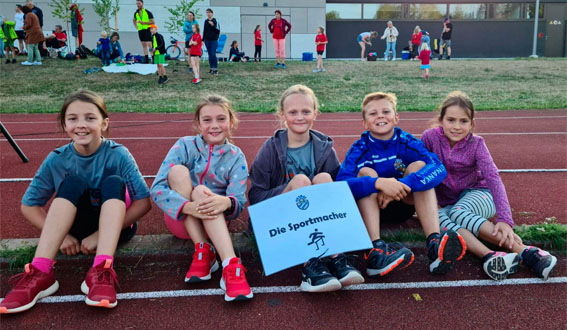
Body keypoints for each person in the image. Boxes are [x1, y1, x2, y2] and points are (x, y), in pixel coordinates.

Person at [0, 89, 152, 314]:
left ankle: (101, 271)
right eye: (73, 119)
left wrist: (100, 235)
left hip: (114, 229)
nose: (81, 125)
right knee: (73, 183)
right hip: (74, 227)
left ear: (104, 123)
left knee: (113, 181)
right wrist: (62, 237)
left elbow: (143, 202)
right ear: (64, 124)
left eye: (90, 118)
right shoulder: (57, 158)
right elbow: (29, 205)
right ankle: (40, 273)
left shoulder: (119, 154)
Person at [421, 91, 558, 281]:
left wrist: (505, 220)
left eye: (463, 121)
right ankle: (490, 257)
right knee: (440, 220)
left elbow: (493, 178)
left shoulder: (477, 144)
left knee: (458, 212)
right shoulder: (429, 138)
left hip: (480, 194)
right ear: (441, 120)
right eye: (451, 120)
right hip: (447, 203)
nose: (456, 126)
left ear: (472, 123)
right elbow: (421, 169)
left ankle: (527, 252)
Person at [336, 92, 467, 277]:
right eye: (373, 113)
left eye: (386, 111)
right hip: (371, 209)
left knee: (420, 167)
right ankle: (375, 251)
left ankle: (434, 244)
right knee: (366, 172)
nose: (380, 116)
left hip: (403, 203)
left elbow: (438, 168)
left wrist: (400, 185)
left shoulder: (407, 141)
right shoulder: (359, 148)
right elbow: (341, 184)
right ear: (364, 123)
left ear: (396, 118)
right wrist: (378, 183)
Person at [249, 84, 364, 293]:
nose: (299, 117)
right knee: (301, 181)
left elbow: (335, 194)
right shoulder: (270, 148)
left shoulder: (324, 147)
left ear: (315, 113)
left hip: (314, 221)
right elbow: (255, 197)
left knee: (324, 177)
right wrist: (290, 189)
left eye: (306, 111)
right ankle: (309, 266)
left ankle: (337, 257)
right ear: (282, 114)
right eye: (293, 112)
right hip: (279, 221)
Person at [150, 94, 253, 302]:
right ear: (198, 124)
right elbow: (157, 188)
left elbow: (238, 201)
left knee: (201, 192)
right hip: (181, 220)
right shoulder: (184, 146)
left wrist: (226, 202)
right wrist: (188, 207)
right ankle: (204, 249)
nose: (214, 125)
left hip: (217, 223)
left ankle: (228, 264)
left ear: (231, 122)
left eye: (221, 119)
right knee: (177, 171)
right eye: (207, 120)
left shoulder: (236, 156)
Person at [203, 8, 220, 75]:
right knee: (210, 55)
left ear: (212, 13)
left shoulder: (215, 21)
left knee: (213, 54)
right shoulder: (206, 21)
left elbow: (218, 30)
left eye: (209, 12)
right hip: (207, 40)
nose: (208, 14)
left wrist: (213, 25)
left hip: (214, 40)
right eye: (207, 12)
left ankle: (215, 69)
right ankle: (211, 68)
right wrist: (203, 39)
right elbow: (204, 30)